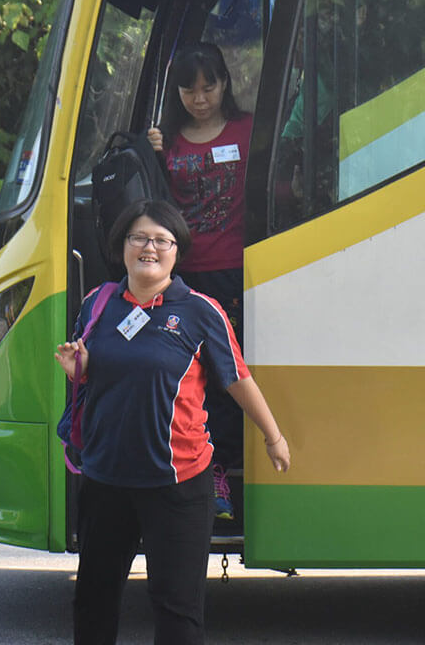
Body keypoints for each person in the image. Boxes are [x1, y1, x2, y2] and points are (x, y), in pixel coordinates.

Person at [54, 198, 290, 645]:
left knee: (177, 611)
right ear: (122, 245)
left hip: (178, 484)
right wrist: (79, 368)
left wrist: (273, 436)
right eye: (139, 237)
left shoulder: (201, 311)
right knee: (93, 601)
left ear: (176, 251)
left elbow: (236, 377)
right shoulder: (97, 304)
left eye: (162, 240)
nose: (150, 247)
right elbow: (99, 374)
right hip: (106, 480)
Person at [147, 42, 251, 520]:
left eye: (208, 87)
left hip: (235, 273)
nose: (200, 98)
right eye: (190, 89)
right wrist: (151, 155)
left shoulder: (248, 131)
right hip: (182, 279)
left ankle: (222, 477)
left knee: (229, 379)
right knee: (190, 381)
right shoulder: (165, 142)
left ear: (224, 83)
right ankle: (189, 478)